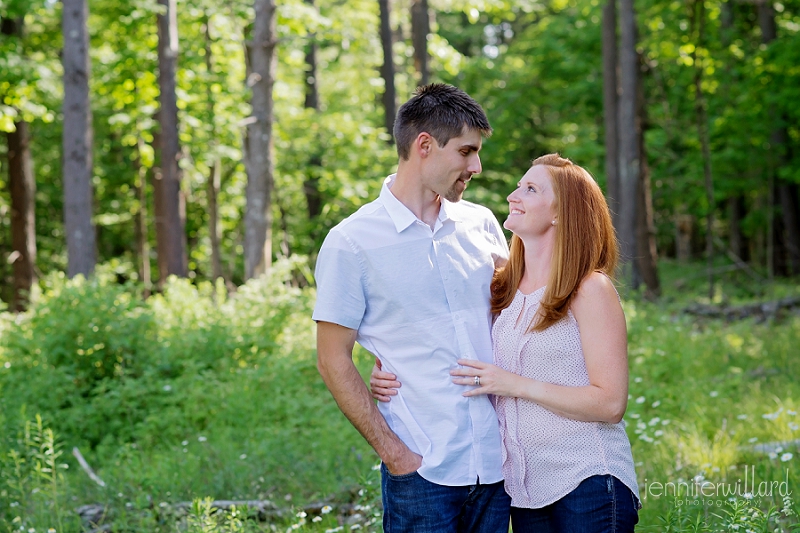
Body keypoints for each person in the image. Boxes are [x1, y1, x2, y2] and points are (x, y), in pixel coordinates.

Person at [372, 154, 641, 532]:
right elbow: (446, 329)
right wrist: (390, 367)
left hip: (588, 481)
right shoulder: (504, 287)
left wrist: (514, 384)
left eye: (530, 189)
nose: (514, 195)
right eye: (519, 185)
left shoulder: (589, 289)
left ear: (561, 213)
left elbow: (610, 403)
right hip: (525, 494)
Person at [313, 83, 512, 533]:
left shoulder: (481, 224)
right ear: (425, 145)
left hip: (499, 461)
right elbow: (331, 359)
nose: (476, 167)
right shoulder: (352, 242)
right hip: (424, 468)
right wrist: (396, 455)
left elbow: (509, 320)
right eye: (466, 152)